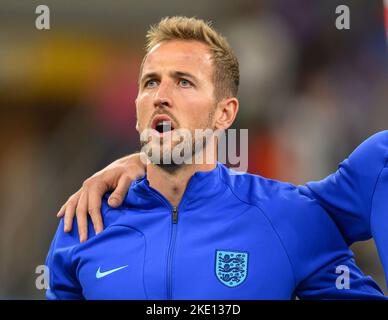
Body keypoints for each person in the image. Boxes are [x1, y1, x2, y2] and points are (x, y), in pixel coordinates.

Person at [46, 16, 385, 299]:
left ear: (225, 113)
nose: (161, 96)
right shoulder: (84, 222)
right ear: (136, 110)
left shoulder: (287, 218)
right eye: (150, 82)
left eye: (183, 82)